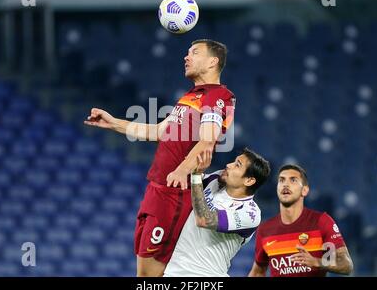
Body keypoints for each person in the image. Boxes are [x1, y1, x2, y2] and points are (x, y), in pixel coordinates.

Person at [84, 39, 236, 277]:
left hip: (174, 193)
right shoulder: (190, 97)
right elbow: (158, 131)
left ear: (212, 61)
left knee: (150, 275)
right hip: (157, 189)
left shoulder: (219, 96)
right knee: (146, 273)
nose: (186, 57)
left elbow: (207, 140)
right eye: (187, 53)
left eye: (194, 53)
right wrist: (114, 123)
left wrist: (182, 170)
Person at [164, 148, 271, 277]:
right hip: (174, 271)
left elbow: (204, 219)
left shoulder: (250, 213)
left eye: (237, 165)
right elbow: (187, 179)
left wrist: (197, 175)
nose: (228, 165)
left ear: (249, 180)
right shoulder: (217, 179)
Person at [248, 164, 354, 277]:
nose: (285, 184)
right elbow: (258, 272)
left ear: (304, 190)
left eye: (293, 180)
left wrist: (317, 262)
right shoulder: (265, 229)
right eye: (281, 180)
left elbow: (346, 265)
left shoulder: (321, 221)